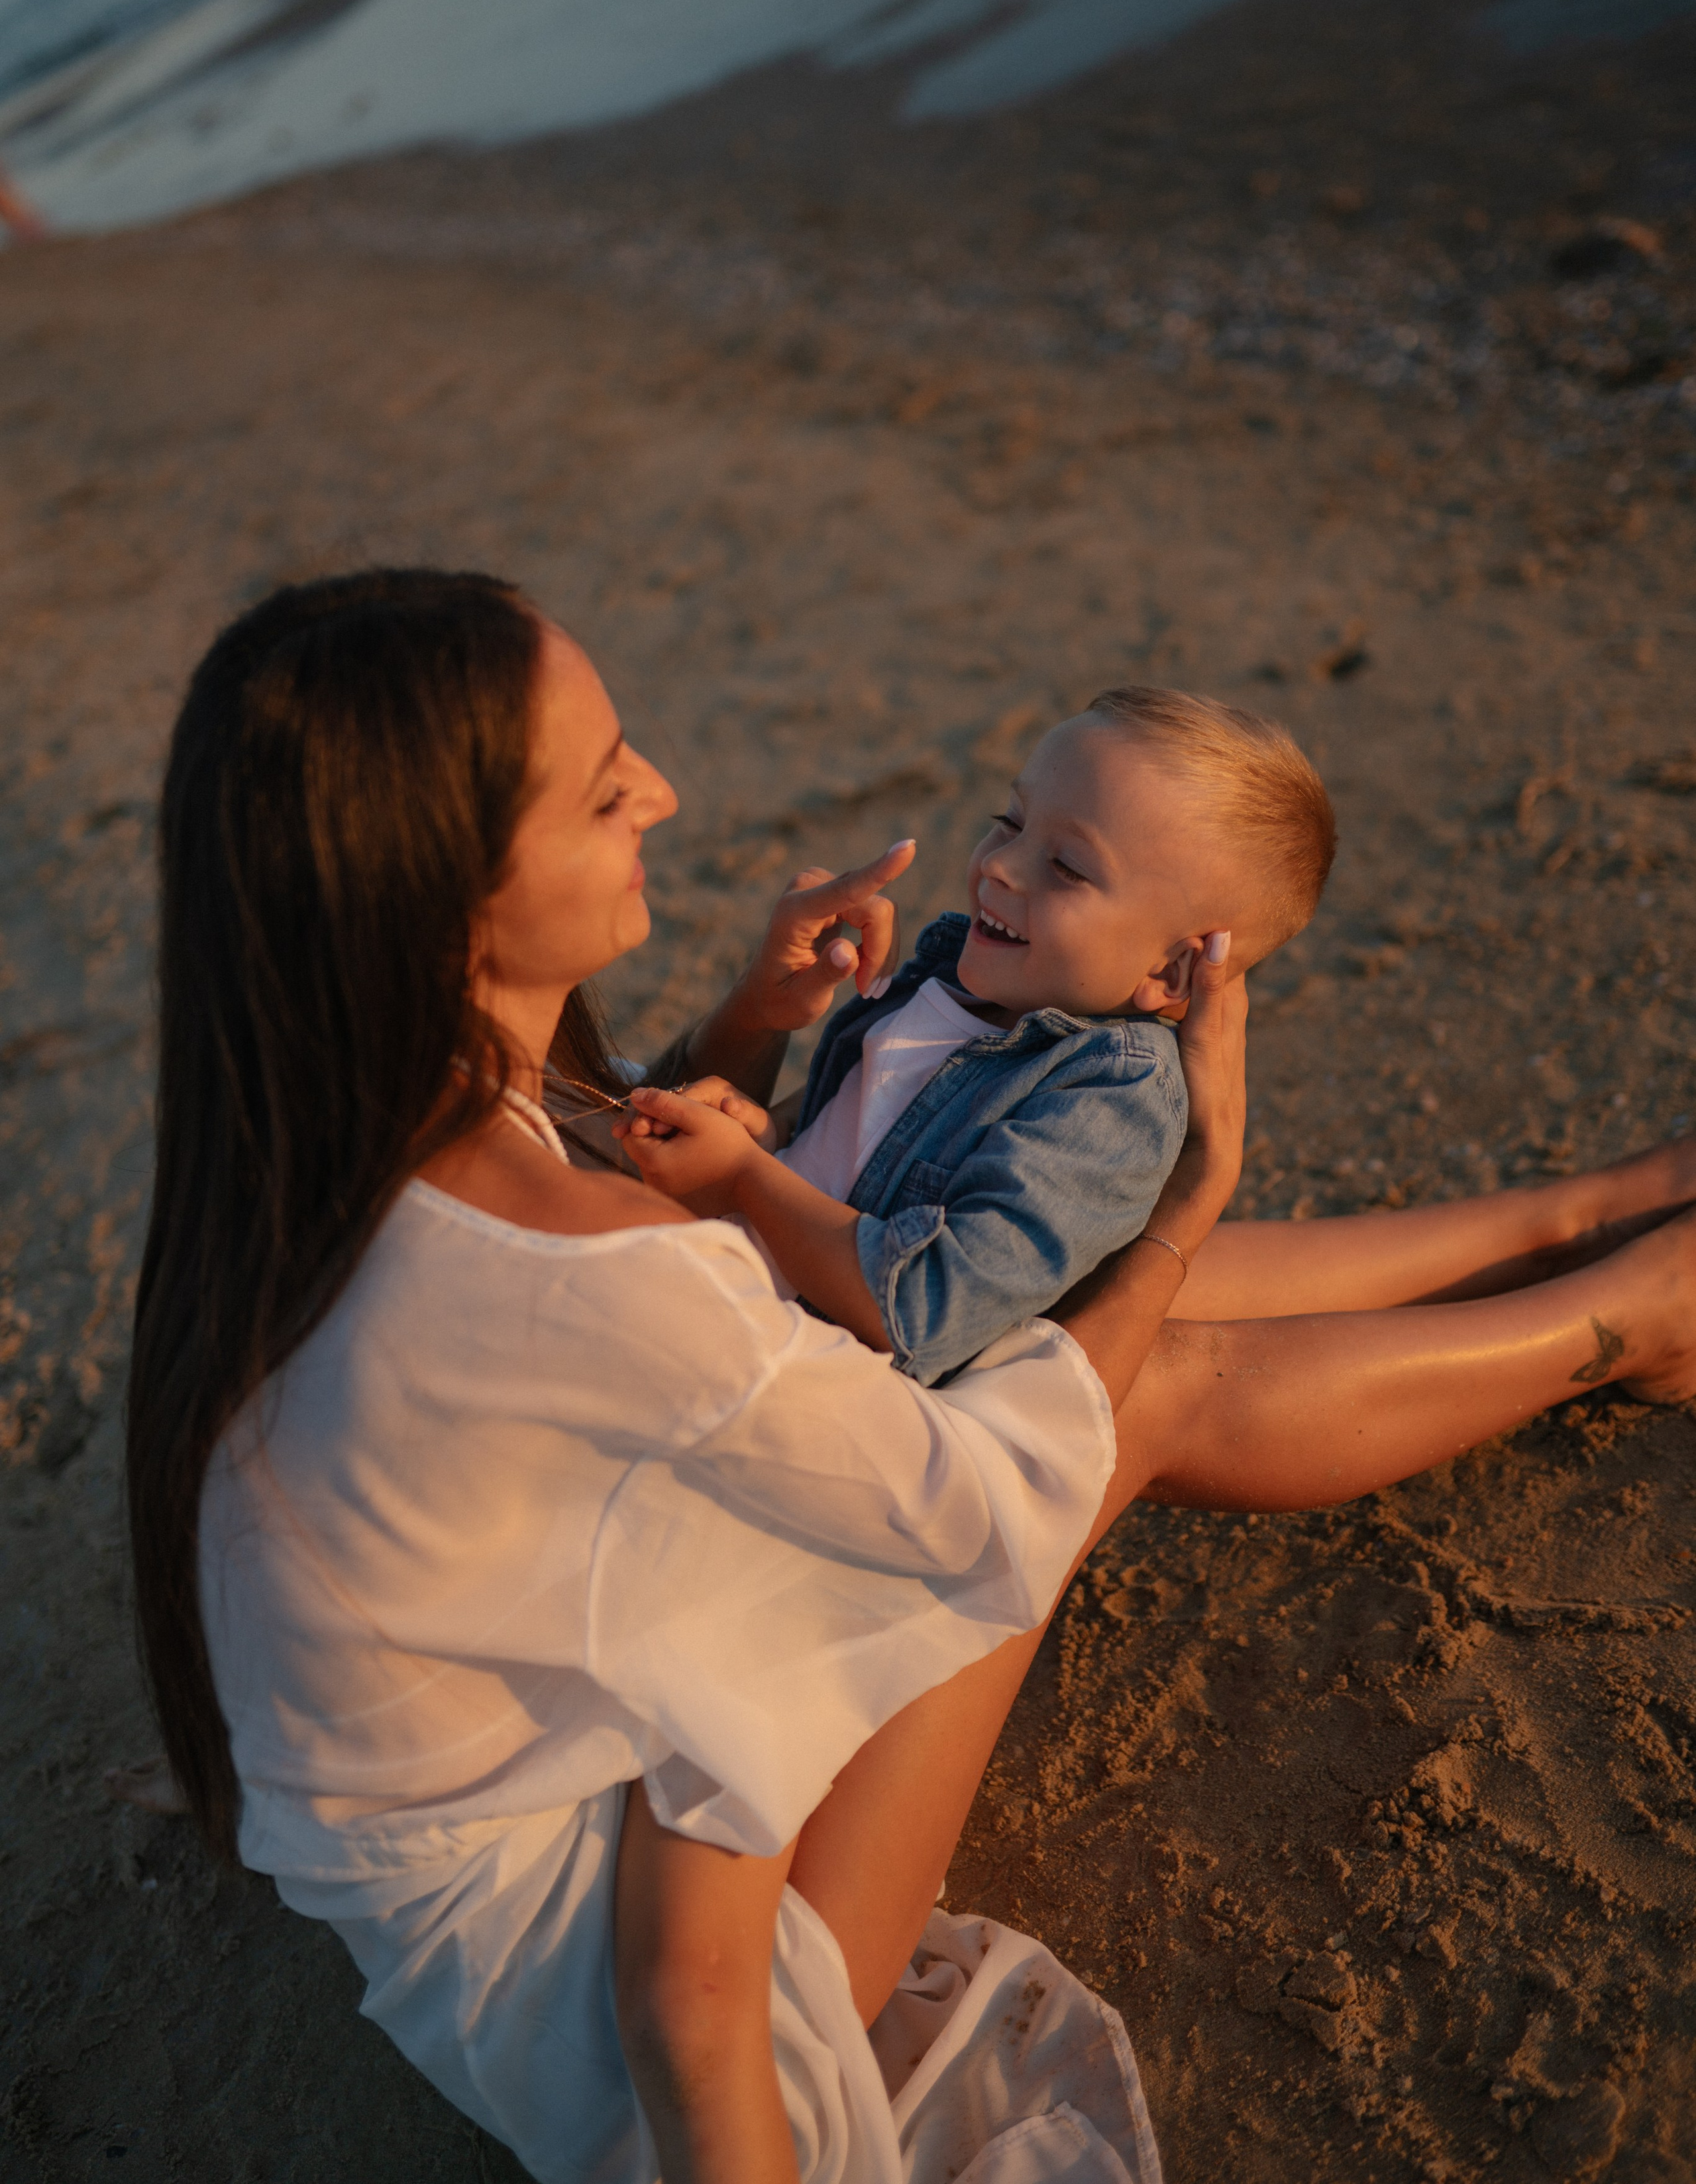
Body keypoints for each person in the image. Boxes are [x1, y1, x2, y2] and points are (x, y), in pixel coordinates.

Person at [123, 568, 1696, 2184]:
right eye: (602, 790)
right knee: (1123, 1374)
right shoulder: (599, 1273)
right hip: (641, 1998)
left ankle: (1565, 1218)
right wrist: (1186, 1203)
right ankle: (1619, 1315)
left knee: (1058, 1292)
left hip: (508, 1834)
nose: (658, 790)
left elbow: (615, 1160)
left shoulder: (323, 1118)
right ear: (441, 888)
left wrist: (755, 1017)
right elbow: (978, 1495)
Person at [612, 687, 1335, 1384]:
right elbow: (860, 1139)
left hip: (798, 1381)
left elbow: (926, 1307)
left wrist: (746, 1177)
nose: (998, 864)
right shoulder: (953, 978)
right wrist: (769, 1135)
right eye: (1010, 821)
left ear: (1172, 970)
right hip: (710, 1296)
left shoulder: (1111, 1092)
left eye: (1066, 867)